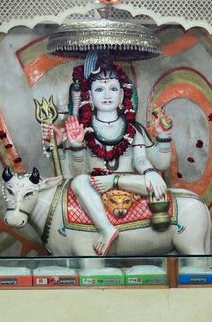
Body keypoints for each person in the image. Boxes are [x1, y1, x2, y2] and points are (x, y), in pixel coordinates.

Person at [44, 56, 173, 255]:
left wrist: (163, 138)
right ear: (89, 96)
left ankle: (116, 184)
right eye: (99, 89)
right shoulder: (83, 129)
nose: (107, 95)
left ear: (122, 95)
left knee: (156, 184)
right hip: (95, 187)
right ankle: (106, 229)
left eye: (113, 89)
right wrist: (76, 145)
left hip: (129, 184)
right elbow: (75, 174)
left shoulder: (133, 129)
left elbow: (151, 162)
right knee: (79, 183)